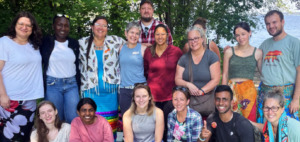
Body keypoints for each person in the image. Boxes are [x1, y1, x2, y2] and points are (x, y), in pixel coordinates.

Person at [78, 16, 125, 138]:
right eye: (98, 24)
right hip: (90, 92)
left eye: (104, 26)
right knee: (91, 126)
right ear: (92, 27)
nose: (101, 28)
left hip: (110, 93)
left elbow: (132, 46)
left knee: (110, 128)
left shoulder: (115, 41)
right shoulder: (82, 43)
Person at [0, 11, 44, 142]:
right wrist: (2, 95)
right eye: (21, 24)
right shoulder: (4, 42)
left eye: (28, 25)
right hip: (10, 99)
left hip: (29, 100)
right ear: (15, 25)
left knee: (25, 136)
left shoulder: (34, 45)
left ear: (33, 28)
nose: (24, 27)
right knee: (8, 137)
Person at [257, 10, 300, 123]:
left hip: (286, 96)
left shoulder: (294, 43)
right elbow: (249, 56)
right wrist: (232, 50)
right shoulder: (264, 44)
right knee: (266, 132)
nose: (271, 26)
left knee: (286, 132)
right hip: (265, 95)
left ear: (283, 22)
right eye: (267, 23)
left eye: (274, 22)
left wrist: (296, 100)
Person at [144, 24, 182, 141]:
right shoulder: (148, 52)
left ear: (167, 36)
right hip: (153, 98)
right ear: (154, 36)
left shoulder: (176, 51)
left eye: (163, 34)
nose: (160, 36)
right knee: (153, 128)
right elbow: (146, 71)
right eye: (157, 34)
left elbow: (181, 71)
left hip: (170, 97)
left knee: (169, 128)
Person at [40, 14, 80, 123]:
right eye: (60, 25)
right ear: (53, 26)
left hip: (72, 85)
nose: (63, 28)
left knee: (73, 119)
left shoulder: (74, 43)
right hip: (52, 85)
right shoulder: (46, 42)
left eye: (66, 25)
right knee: (55, 119)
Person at [175, 26, 220, 118]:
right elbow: (177, 79)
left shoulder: (211, 57)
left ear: (202, 39)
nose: (193, 41)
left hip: (208, 103)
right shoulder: (183, 59)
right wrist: (188, 84)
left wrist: (201, 91)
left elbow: (216, 79)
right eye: (190, 39)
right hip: (189, 105)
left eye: (196, 38)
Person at [222, 22, 263, 122]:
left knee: (249, 122)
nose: (241, 38)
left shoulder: (258, 53)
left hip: (249, 92)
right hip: (232, 90)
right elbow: (225, 74)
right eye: (237, 35)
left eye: (243, 34)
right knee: (231, 120)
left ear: (250, 33)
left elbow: (263, 73)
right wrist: (223, 93)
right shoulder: (229, 52)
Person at [119, 22, 147, 115]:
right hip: (124, 90)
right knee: (126, 119)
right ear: (126, 33)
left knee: (141, 119)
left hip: (139, 89)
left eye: (137, 33)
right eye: (132, 32)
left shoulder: (143, 49)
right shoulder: (120, 48)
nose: (134, 35)